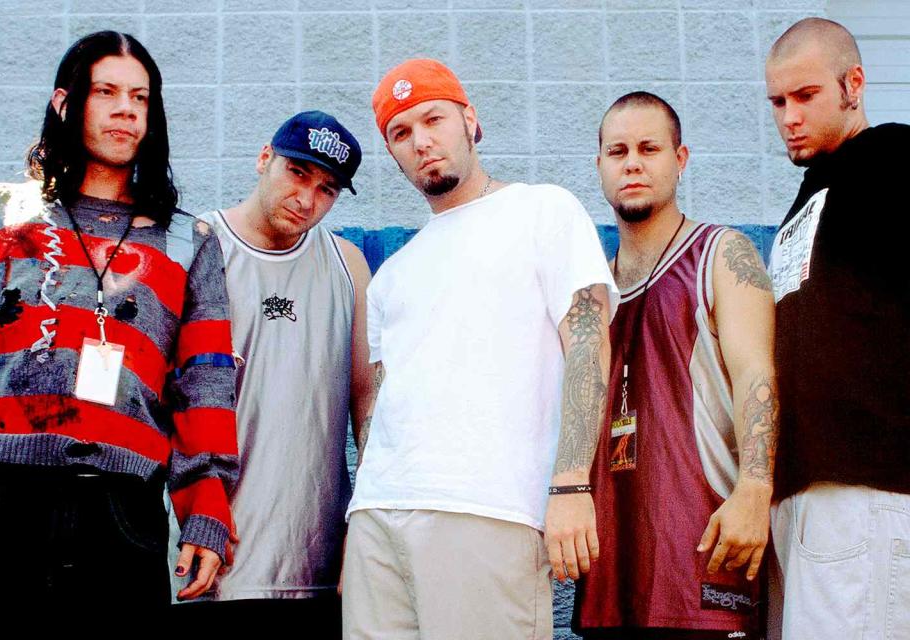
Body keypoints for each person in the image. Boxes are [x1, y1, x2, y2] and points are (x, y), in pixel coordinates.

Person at [0, 31, 238, 612]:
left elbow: (205, 387)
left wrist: (205, 513)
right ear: (64, 103)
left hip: (121, 517)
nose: (126, 109)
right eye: (106, 91)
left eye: (140, 97)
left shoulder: (189, 241)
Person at [341, 58, 619, 640]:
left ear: (470, 120)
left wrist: (571, 483)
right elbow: (381, 408)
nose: (421, 141)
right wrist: (357, 520)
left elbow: (589, 346)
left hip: (486, 509)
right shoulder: (393, 272)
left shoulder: (544, 209)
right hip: (377, 521)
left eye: (433, 119)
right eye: (401, 132)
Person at [572, 92, 777, 640]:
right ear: (599, 167)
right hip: (610, 578)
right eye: (617, 151)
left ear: (679, 159)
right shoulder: (590, 292)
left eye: (649, 148)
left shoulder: (723, 254)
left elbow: (759, 372)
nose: (632, 162)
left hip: (704, 561)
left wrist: (756, 489)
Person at [182, 111, 371, 634]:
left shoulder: (348, 264)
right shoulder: (196, 247)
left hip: (318, 560)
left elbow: (368, 401)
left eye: (327, 189)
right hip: (211, 556)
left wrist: (367, 521)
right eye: (297, 173)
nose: (307, 199)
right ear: (265, 158)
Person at [764, 17, 910, 639]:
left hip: (866, 483)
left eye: (806, 96)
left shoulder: (892, 159)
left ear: (854, 84)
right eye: (777, 102)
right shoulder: (807, 198)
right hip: (799, 492)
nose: (789, 116)